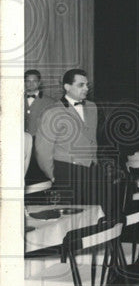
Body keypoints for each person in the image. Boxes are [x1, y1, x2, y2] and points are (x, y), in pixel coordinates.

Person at [34, 68, 100, 206]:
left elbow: (92, 138)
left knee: (90, 216)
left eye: (87, 85)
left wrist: (94, 163)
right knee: (69, 218)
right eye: (81, 85)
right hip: (66, 171)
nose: (86, 88)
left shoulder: (92, 107)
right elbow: (43, 150)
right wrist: (53, 175)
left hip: (91, 171)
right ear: (67, 87)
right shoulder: (52, 111)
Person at [24, 69, 58, 182]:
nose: (30, 84)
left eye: (34, 81)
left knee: (38, 174)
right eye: (27, 81)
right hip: (20, 142)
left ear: (39, 83)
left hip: (40, 143)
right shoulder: (15, 99)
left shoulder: (50, 102)